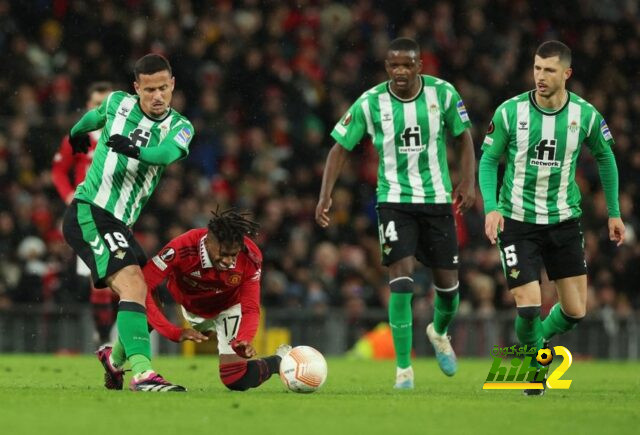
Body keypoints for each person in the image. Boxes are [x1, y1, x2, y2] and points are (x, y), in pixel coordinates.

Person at [315, 37, 476, 389]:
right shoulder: (371, 102)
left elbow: (464, 137)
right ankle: (404, 370)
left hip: (436, 200)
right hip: (394, 200)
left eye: (407, 64)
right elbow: (339, 149)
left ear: (420, 65)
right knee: (400, 281)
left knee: (449, 290)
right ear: (387, 68)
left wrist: (468, 180)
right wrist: (326, 194)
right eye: (394, 65)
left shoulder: (444, 94)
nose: (400, 71)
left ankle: (439, 331)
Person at [478, 40, 625, 396]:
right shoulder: (510, 112)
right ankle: (534, 368)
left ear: (567, 74)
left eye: (549, 70)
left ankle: (534, 347)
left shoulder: (586, 115)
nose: (540, 76)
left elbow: (606, 158)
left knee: (575, 311)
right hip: (517, 221)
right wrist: (491, 207)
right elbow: (487, 161)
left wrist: (614, 213)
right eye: (537, 68)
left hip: (563, 220)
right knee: (527, 307)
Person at [62, 53, 195, 392]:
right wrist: (77, 132)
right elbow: (96, 114)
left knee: (151, 297)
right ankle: (143, 374)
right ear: (136, 88)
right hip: (90, 210)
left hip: (119, 223)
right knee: (135, 285)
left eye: (163, 88)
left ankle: (115, 359)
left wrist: (134, 151)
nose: (157, 97)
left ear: (173, 85)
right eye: (149, 89)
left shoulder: (180, 127)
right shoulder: (118, 103)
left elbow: (165, 154)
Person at [98, 208, 290, 391]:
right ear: (208, 242)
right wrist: (173, 332)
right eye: (223, 254)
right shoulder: (182, 247)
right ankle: (114, 359)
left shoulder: (251, 256)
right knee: (142, 305)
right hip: (191, 307)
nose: (229, 261)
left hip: (229, 308)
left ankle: (280, 360)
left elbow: (250, 307)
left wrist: (244, 339)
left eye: (234, 254)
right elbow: (144, 285)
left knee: (235, 379)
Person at [52, 81, 120, 347]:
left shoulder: (123, 136)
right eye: (96, 104)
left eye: (106, 104)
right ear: (89, 107)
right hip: (89, 213)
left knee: (122, 276)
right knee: (99, 277)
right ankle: (104, 338)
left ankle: (108, 332)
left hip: (118, 212)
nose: (101, 109)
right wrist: (69, 195)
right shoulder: (79, 136)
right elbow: (58, 171)